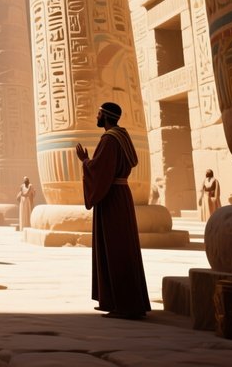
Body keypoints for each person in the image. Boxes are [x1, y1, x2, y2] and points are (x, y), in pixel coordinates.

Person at [76, 102, 151, 320]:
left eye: (99, 114)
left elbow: (102, 170)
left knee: (116, 249)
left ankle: (124, 305)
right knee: (120, 247)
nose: (97, 117)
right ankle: (116, 300)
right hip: (120, 195)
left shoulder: (109, 139)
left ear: (106, 117)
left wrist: (86, 161)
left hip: (112, 199)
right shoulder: (123, 136)